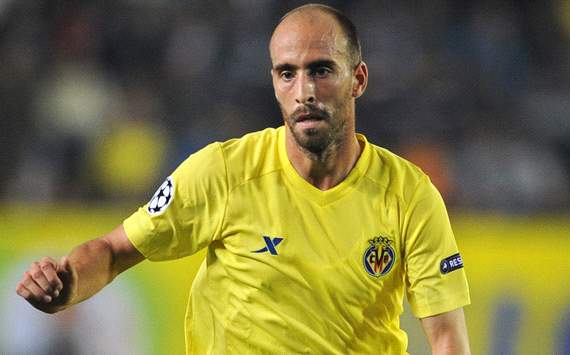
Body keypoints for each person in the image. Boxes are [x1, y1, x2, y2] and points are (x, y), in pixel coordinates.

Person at [16, 4, 471, 354]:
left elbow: (448, 337)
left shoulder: (409, 195)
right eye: (287, 73)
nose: (304, 90)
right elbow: (114, 251)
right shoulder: (224, 171)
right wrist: (66, 286)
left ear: (358, 79)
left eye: (322, 70)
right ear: (274, 83)